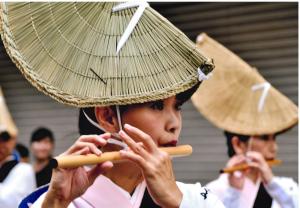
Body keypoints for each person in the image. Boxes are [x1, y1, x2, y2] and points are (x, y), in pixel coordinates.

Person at [2, 2, 225, 208]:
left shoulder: (196, 199)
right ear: (108, 117)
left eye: (177, 106)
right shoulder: (54, 201)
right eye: (157, 106)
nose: (174, 123)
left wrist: (178, 202)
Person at [192, 33, 298, 208]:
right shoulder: (212, 192)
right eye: (265, 138)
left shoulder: (286, 188)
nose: (274, 147)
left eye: (274, 138)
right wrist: (233, 193)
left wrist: (271, 183)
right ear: (238, 144)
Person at [0, 87, 36, 208]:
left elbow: (8, 202)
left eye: (4, 138)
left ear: (13, 141)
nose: (1, 144)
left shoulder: (24, 170)